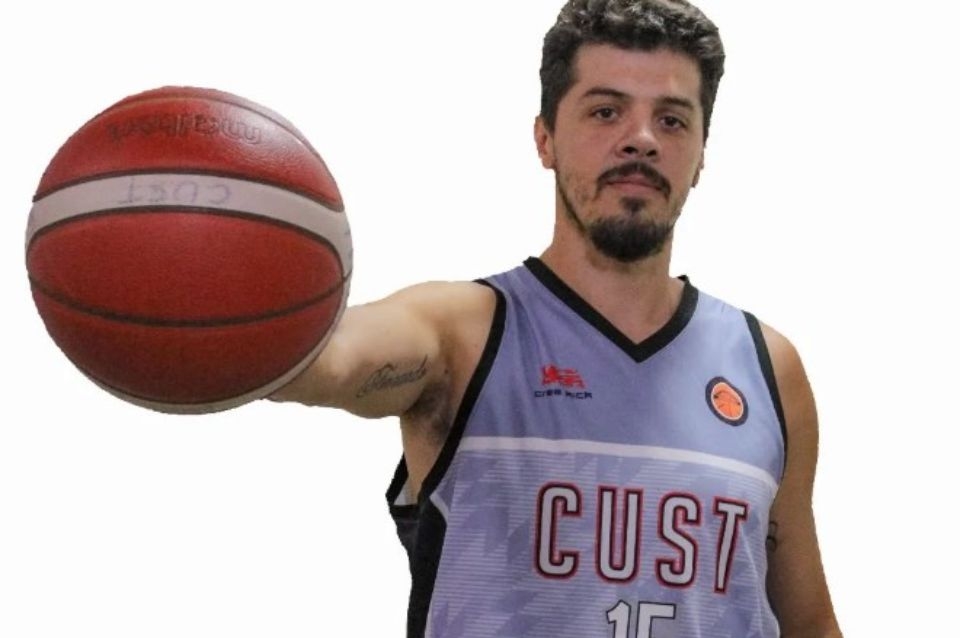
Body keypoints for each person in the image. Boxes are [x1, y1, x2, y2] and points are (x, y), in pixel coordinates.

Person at [272, 0, 843, 635]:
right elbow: (329, 356)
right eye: (606, 111)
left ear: (702, 153)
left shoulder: (766, 367)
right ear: (544, 138)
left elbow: (810, 624)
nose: (642, 138)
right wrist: (231, 311)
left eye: (672, 120)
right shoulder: (463, 332)